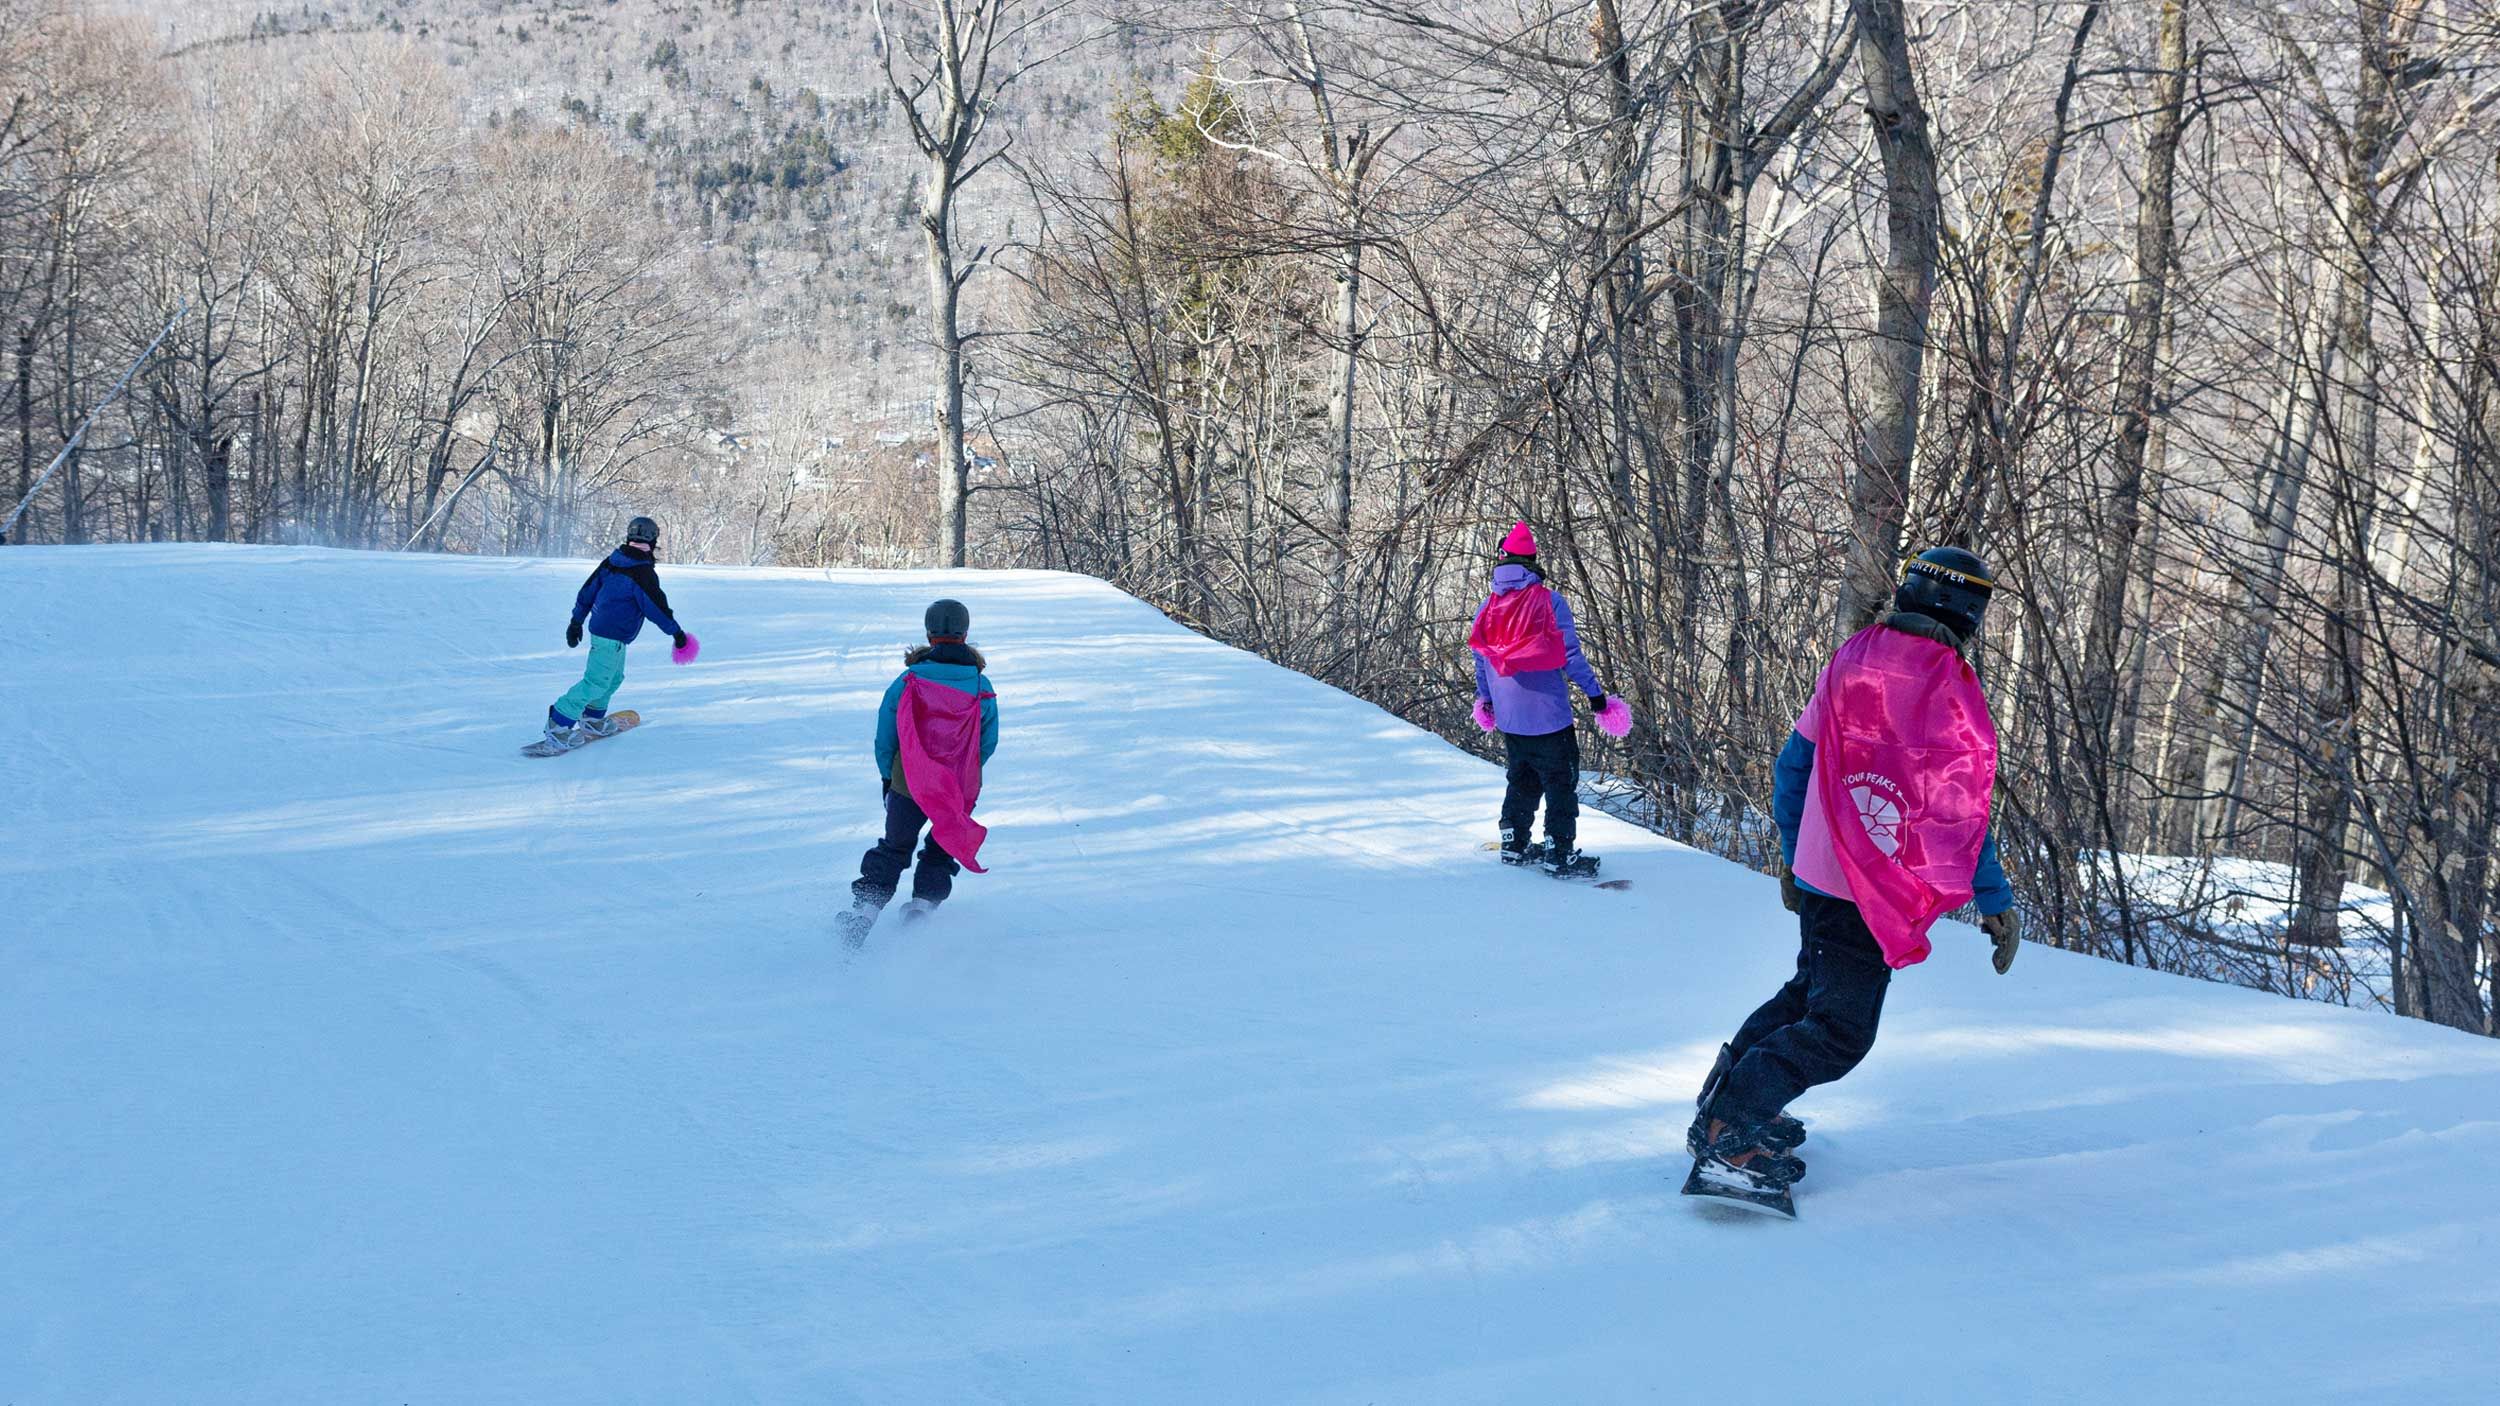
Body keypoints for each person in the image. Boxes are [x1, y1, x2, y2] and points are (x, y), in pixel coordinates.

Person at [1687, 546, 2021, 1206]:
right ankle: (1734, 1135)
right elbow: (1958, 813)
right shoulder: (1950, 692)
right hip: (1873, 889)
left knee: (1810, 991)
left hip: (1819, 873)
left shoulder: (1854, 659)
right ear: (1971, 617)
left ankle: (1723, 1105)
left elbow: (1793, 767)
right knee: (1841, 1030)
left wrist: (1792, 852)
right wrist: (1992, 895)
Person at [1468, 521, 1632, 877]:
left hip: (1510, 717)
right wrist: (1597, 697)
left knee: (1521, 777)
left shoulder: (1488, 606)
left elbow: (1480, 658)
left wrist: (1488, 700)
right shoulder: (1550, 601)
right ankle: (1559, 852)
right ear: (1532, 561)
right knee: (1560, 782)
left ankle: (1513, 842)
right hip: (1549, 716)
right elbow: (1570, 655)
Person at [839, 599, 1001, 944]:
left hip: (908, 781)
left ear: (929, 634)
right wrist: (966, 772)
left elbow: (886, 734)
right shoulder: (980, 685)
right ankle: (923, 906)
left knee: (895, 846)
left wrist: (888, 776)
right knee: (943, 845)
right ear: (965, 632)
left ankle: (865, 911)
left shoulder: (909, 680)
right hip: (958, 785)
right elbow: (988, 740)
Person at [545, 515, 696, 748]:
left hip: (611, 636)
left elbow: (587, 591)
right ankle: (558, 722)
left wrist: (576, 621)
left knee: (613, 679)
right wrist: (677, 633)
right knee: (596, 682)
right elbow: (656, 608)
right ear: (653, 541)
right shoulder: (641, 573)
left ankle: (592, 719)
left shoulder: (613, 561)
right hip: (609, 636)